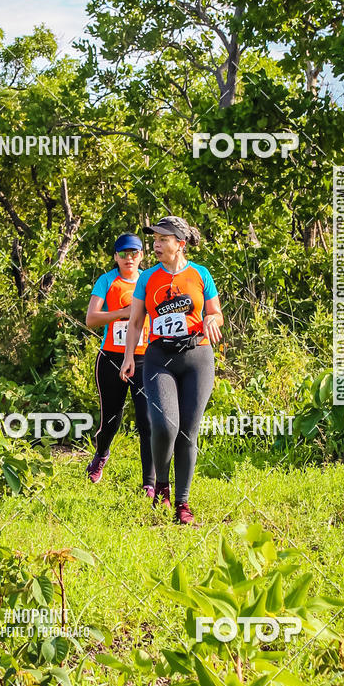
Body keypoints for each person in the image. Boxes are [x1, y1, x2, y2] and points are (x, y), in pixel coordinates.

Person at [120, 216, 223, 525]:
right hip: (157, 357)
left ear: (180, 243)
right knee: (165, 424)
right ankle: (161, 484)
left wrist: (210, 320)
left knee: (188, 432)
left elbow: (216, 314)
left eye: (162, 239)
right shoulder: (147, 278)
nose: (156, 244)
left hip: (197, 356)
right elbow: (136, 321)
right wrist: (128, 357)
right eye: (154, 239)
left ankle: (182, 503)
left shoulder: (200, 274)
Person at [85, 233, 155, 495]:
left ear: (141, 255)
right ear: (115, 257)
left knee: (147, 421)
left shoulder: (150, 279)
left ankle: (149, 482)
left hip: (144, 358)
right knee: (111, 421)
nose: (129, 258)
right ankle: (101, 454)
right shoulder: (106, 280)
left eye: (134, 253)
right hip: (111, 359)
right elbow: (91, 319)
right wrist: (124, 313)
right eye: (123, 254)